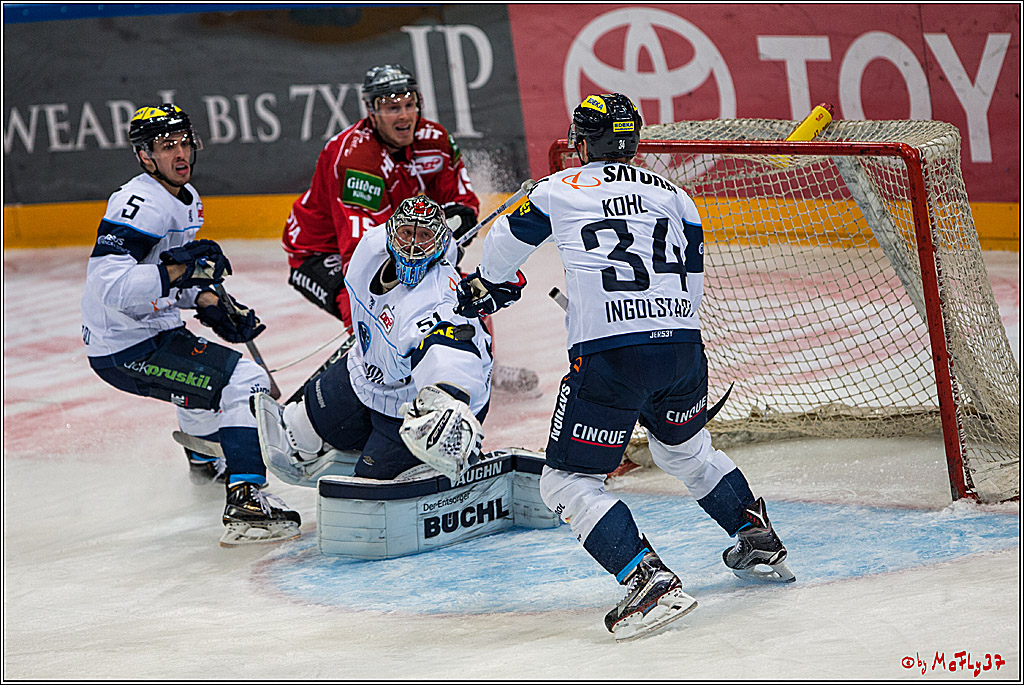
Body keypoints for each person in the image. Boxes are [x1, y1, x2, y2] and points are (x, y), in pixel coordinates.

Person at [455, 93, 794, 641]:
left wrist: (487, 287)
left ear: (581, 143)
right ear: (633, 141)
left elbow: (503, 244)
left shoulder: (556, 188)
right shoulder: (678, 196)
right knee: (685, 451)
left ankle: (647, 581)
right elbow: (692, 273)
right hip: (684, 346)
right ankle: (756, 535)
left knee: (567, 481)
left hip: (612, 358)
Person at [80, 103, 300, 547]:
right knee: (245, 381)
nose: (180, 153)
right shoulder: (137, 204)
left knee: (203, 386)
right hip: (127, 347)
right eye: (167, 146)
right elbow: (111, 286)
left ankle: (205, 469)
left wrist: (206, 299)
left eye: (184, 143)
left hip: (153, 332)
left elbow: (164, 280)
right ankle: (247, 501)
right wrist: (182, 273)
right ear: (145, 156)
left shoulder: (188, 198)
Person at [281, 63, 537, 396]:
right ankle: (374, 380)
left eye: (409, 104)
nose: (404, 115)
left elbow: (462, 201)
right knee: (370, 310)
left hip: (403, 239)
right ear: (372, 112)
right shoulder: (355, 159)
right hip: (321, 254)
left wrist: (461, 217)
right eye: (391, 108)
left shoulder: (436, 139)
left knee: (458, 291)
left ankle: (481, 365)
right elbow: (360, 257)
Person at [260, 195, 496, 482]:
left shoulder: (441, 300)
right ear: (391, 232)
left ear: (439, 243)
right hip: (365, 373)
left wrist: (446, 401)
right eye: (407, 233)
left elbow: (452, 352)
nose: (412, 246)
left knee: (370, 492)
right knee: (298, 433)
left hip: (410, 401)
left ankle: (441, 456)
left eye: (423, 236)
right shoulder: (371, 248)